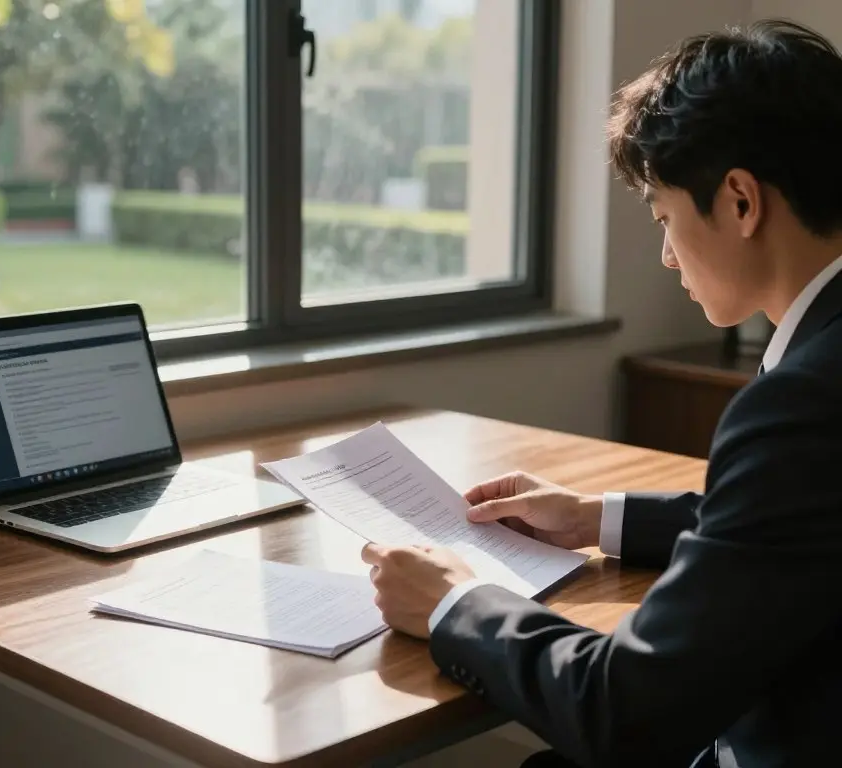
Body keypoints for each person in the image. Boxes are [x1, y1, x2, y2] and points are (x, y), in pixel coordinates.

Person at [361, 19, 842, 768]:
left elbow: (629, 710)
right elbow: (790, 523)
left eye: (665, 218)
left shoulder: (803, 404)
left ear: (741, 202)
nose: (666, 254)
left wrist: (454, 603)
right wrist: (595, 517)